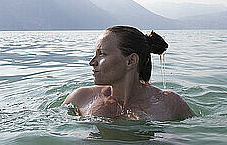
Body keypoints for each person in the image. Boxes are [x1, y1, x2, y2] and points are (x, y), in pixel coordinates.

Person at [63, 26, 195, 121]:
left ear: (131, 61)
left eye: (101, 54)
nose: (92, 62)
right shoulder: (80, 98)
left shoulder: (169, 103)